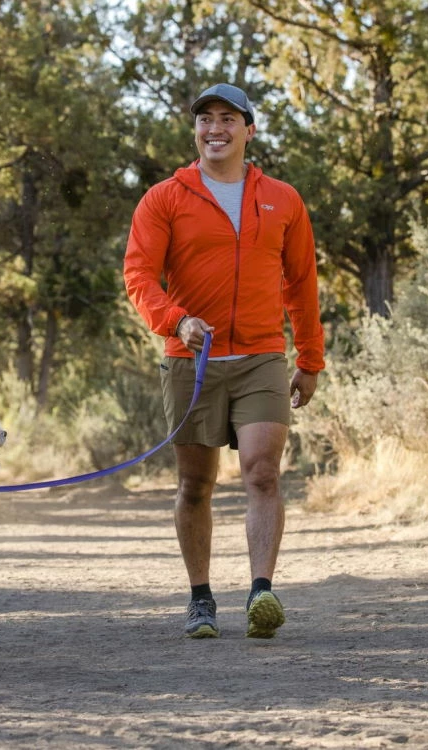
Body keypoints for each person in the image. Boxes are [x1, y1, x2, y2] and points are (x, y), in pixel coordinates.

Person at [123, 83, 325, 639]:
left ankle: (261, 591)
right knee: (195, 485)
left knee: (262, 472)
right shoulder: (165, 197)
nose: (216, 128)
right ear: (196, 132)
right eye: (206, 119)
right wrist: (176, 320)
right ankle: (201, 598)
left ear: (248, 130)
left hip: (262, 354)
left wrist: (310, 358)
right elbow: (138, 275)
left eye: (228, 119)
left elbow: (302, 283)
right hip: (192, 359)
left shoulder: (282, 199)